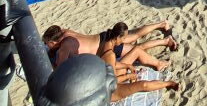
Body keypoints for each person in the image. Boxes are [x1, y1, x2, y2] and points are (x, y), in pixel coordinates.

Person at [42, 19, 175, 68]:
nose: (47, 46)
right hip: (102, 37)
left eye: (48, 43)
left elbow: (59, 69)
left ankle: (165, 40)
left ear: (54, 41)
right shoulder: (65, 32)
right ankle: (163, 28)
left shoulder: (65, 46)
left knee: (137, 49)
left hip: (105, 47)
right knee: (134, 37)